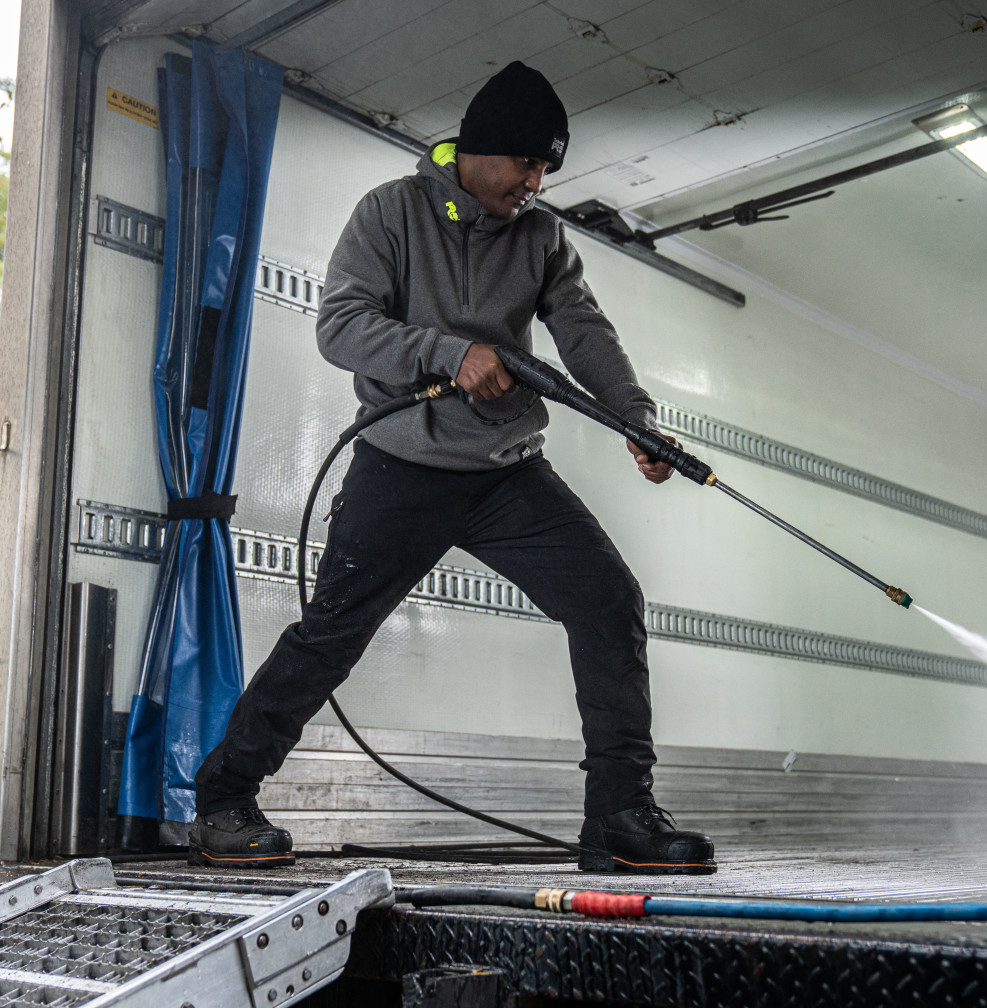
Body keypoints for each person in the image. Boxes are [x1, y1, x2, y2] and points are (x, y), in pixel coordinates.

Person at [189, 61, 716, 875]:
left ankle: (620, 815)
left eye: (546, 170)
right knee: (330, 636)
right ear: (480, 149)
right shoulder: (391, 212)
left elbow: (584, 332)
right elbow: (340, 327)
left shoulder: (542, 238)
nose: (535, 184)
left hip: (506, 472)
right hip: (401, 464)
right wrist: (448, 352)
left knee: (610, 601)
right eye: (527, 164)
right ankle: (224, 799)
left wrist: (634, 419)